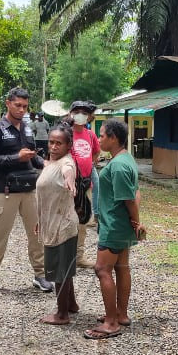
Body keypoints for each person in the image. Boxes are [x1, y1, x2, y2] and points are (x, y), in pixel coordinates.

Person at [0, 87, 50, 295]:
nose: (21, 109)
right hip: (5, 190)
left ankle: (41, 275)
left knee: (37, 235)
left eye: (25, 106)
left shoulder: (28, 128)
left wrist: (44, 163)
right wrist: (15, 158)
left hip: (29, 190)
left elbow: (32, 156)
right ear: (8, 103)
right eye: (17, 105)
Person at [84, 119, 146, 340]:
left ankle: (111, 323)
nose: (99, 139)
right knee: (121, 267)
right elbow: (136, 192)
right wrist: (135, 222)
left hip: (115, 226)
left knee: (102, 270)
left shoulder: (118, 165)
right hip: (120, 225)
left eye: (101, 135)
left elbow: (129, 198)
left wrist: (137, 222)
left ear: (113, 138)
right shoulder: (125, 158)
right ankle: (121, 314)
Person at [35, 125, 80, 325]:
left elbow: (68, 171)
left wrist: (70, 179)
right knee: (65, 268)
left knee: (60, 271)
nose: (53, 146)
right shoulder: (51, 163)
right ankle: (71, 304)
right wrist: (40, 221)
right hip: (52, 223)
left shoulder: (66, 163)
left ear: (68, 145)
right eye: (51, 142)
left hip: (63, 226)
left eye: (59, 143)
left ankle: (62, 315)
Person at [68, 101, 100, 268]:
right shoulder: (65, 133)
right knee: (66, 219)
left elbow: (96, 152)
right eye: (77, 111)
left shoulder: (90, 135)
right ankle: (64, 256)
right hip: (67, 185)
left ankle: (79, 257)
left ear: (89, 116)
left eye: (84, 112)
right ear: (71, 113)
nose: (81, 115)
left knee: (83, 220)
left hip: (85, 185)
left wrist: (89, 166)